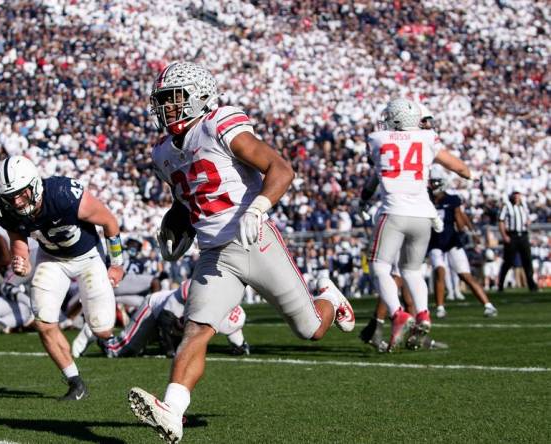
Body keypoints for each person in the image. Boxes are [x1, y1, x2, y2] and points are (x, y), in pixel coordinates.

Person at [128, 62, 355, 443]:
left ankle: (329, 297)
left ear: (200, 96)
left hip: (254, 239)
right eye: (163, 101)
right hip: (214, 253)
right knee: (195, 330)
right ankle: (172, 411)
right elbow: (187, 198)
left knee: (311, 329)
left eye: (175, 99)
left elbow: (280, 168)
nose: (167, 108)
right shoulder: (163, 153)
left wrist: (259, 208)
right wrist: (175, 220)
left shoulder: (220, 124)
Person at [0, 155, 124, 401]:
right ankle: (75, 382)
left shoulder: (63, 193)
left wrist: (116, 264)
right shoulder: (8, 209)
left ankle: (101, 335)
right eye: (10, 197)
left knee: (103, 328)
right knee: (43, 321)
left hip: (88, 257)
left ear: (35, 185)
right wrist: (21, 264)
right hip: (52, 259)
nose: (17, 202)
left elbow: (109, 221)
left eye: (22, 193)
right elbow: (18, 244)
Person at [366, 98, 471, 353]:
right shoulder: (428, 138)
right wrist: (469, 174)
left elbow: (379, 168)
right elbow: (459, 167)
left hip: (393, 212)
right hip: (423, 215)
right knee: (412, 271)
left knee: (379, 266)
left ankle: (397, 314)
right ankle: (423, 315)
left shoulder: (377, 138)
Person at [88, 281, 249, 359]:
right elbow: (165, 323)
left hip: (175, 319)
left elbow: (233, 329)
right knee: (122, 351)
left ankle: (145, 343)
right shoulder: (185, 295)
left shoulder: (228, 306)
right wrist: (170, 350)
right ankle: (103, 339)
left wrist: (239, 346)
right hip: (154, 308)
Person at [426, 166, 497, 318]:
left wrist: (469, 231)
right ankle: (440, 308)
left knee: (465, 275)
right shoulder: (425, 199)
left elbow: (460, 220)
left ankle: (488, 305)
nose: (433, 186)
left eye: (436, 183)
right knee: (440, 272)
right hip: (435, 242)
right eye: (432, 183)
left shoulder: (452, 200)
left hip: (452, 241)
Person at [497, 188, 538, 292]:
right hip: (512, 235)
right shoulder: (507, 206)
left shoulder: (523, 205)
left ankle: (532, 285)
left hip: (523, 235)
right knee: (508, 261)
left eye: (518, 194)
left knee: (527, 260)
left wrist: (528, 222)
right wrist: (504, 235)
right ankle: (500, 284)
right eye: (514, 194)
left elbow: (528, 218)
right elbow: (501, 221)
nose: (516, 196)